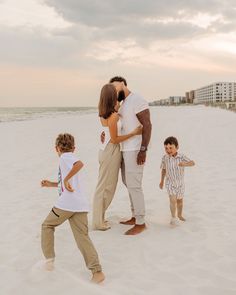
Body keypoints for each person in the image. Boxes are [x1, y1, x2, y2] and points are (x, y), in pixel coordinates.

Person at [41, 133, 105, 284]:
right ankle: (97, 272)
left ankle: (49, 260)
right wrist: (51, 183)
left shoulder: (65, 157)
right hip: (79, 205)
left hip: (66, 204)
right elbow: (68, 183)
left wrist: (66, 178)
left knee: (47, 225)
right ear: (74, 148)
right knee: (82, 237)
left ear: (56, 148)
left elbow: (79, 164)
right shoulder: (68, 161)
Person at [92, 84, 142, 231]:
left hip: (106, 150)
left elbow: (108, 131)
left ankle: (99, 218)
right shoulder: (113, 116)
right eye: (115, 94)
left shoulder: (104, 113)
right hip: (110, 150)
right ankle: (98, 222)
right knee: (106, 187)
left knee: (105, 186)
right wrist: (133, 133)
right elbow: (114, 139)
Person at [109, 76, 152, 235]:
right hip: (124, 149)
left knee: (135, 185)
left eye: (114, 87)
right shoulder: (122, 105)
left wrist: (143, 149)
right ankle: (134, 216)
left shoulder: (137, 99)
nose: (114, 91)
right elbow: (120, 126)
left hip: (135, 149)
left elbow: (147, 125)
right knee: (128, 183)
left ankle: (140, 222)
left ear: (122, 83)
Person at [159, 136, 195, 226]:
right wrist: (162, 181)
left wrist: (185, 163)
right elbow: (163, 169)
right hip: (170, 183)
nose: (168, 150)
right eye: (166, 148)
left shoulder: (181, 157)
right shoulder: (165, 158)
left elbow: (192, 163)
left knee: (180, 201)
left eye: (171, 148)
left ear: (177, 147)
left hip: (180, 183)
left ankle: (179, 214)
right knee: (172, 200)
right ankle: (173, 217)